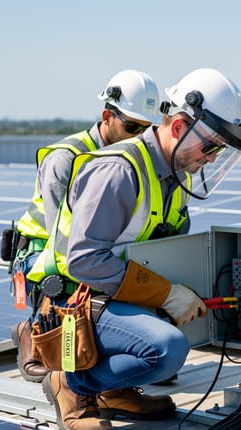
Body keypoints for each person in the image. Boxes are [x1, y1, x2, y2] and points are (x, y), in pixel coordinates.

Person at [27, 68, 241, 430]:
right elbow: (83, 260)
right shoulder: (119, 171)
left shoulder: (175, 175)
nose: (213, 158)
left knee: (178, 342)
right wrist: (166, 294)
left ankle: (114, 390)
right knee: (167, 349)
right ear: (178, 127)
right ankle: (72, 383)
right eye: (211, 145)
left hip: (116, 295)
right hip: (76, 300)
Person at [10, 70, 160, 383]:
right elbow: (61, 239)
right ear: (107, 116)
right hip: (41, 255)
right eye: (131, 126)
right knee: (72, 285)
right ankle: (34, 328)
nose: (138, 137)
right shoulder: (66, 158)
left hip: (78, 252)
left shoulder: (131, 162)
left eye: (147, 129)